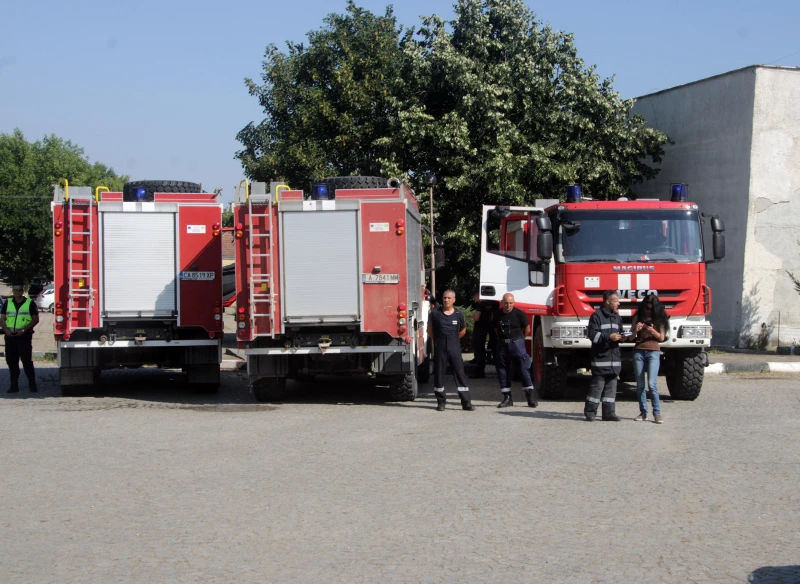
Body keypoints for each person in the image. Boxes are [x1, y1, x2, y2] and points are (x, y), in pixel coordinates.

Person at [427, 289, 474, 412]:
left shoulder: (459, 314)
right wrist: (437, 340)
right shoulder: (435, 313)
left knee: (460, 374)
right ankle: (441, 402)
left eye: (449, 298)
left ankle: (466, 402)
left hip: (454, 346)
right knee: (439, 374)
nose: (446, 300)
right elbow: (429, 330)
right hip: (440, 346)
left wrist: (453, 339)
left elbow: (463, 330)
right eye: (444, 298)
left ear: (454, 300)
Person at [584, 290, 624, 421]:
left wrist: (622, 337)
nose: (619, 303)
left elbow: (621, 332)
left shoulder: (617, 317)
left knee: (611, 390)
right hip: (601, 359)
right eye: (616, 301)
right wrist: (609, 336)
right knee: (597, 389)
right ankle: (590, 412)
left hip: (614, 361)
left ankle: (609, 413)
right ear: (608, 301)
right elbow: (592, 335)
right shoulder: (596, 316)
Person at [494, 293, 538, 408]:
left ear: (513, 302)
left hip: (517, 344)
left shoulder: (519, 313)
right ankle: (507, 398)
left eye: (510, 303)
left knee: (523, 369)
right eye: (506, 303)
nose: (508, 305)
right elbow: (496, 329)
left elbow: (527, 329)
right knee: (502, 371)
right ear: (502, 303)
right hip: (502, 345)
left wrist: (520, 340)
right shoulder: (497, 314)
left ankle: (530, 398)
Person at [631, 293, 668, 423]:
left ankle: (657, 413)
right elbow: (630, 338)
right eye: (647, 308)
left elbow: (661, 338)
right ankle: (643, 412)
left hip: (653, 352)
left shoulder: (659, 319)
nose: (648, 311)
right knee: (640, 384)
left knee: (652, 384)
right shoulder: (637, 317)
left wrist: (652, 331)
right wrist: (636, 330)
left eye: (651, 308)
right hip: (639, 351)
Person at [2, 283, 40, 393]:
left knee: (26, 361)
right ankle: (14, 385)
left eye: (19, 290)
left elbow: (35, 319)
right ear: (12, 291)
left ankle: (32, 384)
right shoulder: (8, 302)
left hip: (24, 336)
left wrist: (24, 330)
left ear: (22, 291)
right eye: (15, 290)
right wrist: (6, 330)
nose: (17, 292)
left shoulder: (29, 303)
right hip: (10, 337)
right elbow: (2, 318)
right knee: (11, 362)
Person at [468, 292, 497, 378]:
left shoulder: (480, 305)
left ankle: (480, 371)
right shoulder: (493, 303)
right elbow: (492, 317)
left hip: (480, 328)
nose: (475, 300)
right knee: (494, 347)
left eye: (475, 298)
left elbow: (477, 318)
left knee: (479, 349)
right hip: (490, 327)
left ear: (478, 296)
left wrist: (472, 316)